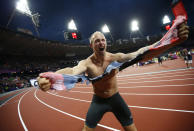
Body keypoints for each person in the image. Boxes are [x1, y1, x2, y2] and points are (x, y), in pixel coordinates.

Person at [37, 21, 189, 131]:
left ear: (106, 43)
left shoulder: (115, 58)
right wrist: (50, 77)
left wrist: (172, 41)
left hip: (116, 99)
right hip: (98, 101)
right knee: (86, 129)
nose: (101, 42)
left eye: (103, 40)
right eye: (97, 41)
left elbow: (141, 53)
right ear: (91, 45)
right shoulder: (86, 63)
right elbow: (72, 71)